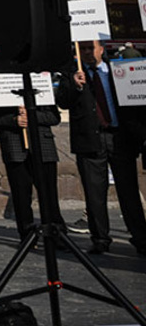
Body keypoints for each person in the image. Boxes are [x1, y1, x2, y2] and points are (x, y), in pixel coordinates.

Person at [60, 41, 146, 255]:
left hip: (119, 138)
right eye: (84, 49)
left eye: (91, 48)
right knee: (94, 193)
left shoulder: (117, 70)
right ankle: (100, 238)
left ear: (101, 49)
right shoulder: (73, 74)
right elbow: (63, 101)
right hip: (90, 140)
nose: (88, 53)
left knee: (128, 192)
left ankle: (141, 237)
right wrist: (74, 84)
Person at [0, 75, 65, 243]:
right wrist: (14, 120)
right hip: (15, 147)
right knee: (21, 196)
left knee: (49, 194)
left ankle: (57, 233)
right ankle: (28, 236)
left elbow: (54, 117)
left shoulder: (39, 78)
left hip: (42, 147)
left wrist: (31, 116)